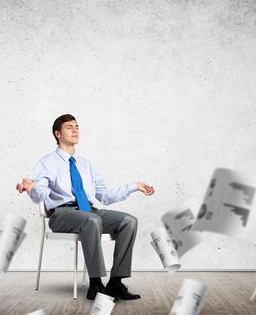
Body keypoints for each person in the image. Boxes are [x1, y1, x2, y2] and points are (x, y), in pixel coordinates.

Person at [16, 114, 155, 301]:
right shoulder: (46, 162)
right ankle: (96, 284)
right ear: (57, 133)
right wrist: (31, 187)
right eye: (69, 127)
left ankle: (116, 282)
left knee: (128, 221)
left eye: (77, 126)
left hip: (89, 212)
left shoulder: (85, 164)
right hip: (62, 214)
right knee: (92, 220)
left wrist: (134, 186)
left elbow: (105, 196)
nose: (75, 130)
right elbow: (40, 192)